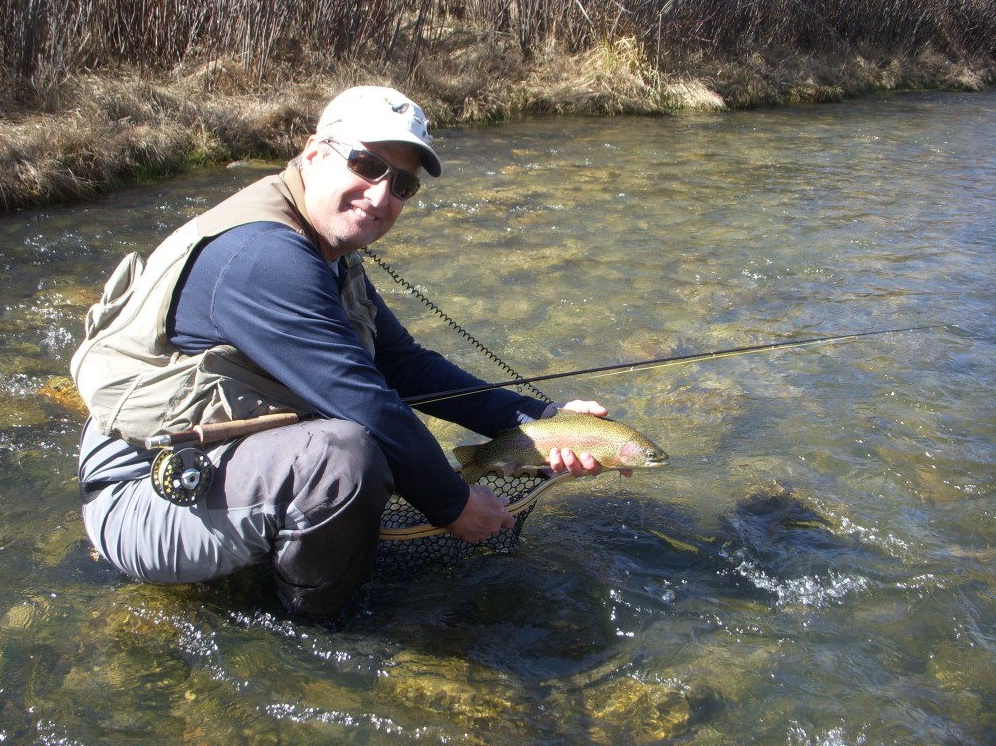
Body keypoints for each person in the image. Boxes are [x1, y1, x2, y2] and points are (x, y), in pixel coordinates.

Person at [71, 85, 615, 619]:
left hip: (219, 468)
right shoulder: (264, 256)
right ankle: (312, 629)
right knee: (343, 458)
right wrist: (453, 504)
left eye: (402, 184)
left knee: (355, 447)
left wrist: (545, 422)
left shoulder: (323, 246)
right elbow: (366, 402)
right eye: (366, 165)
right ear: (313, 153)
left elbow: (403, 366)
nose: (381, 195)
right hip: (144, 494)